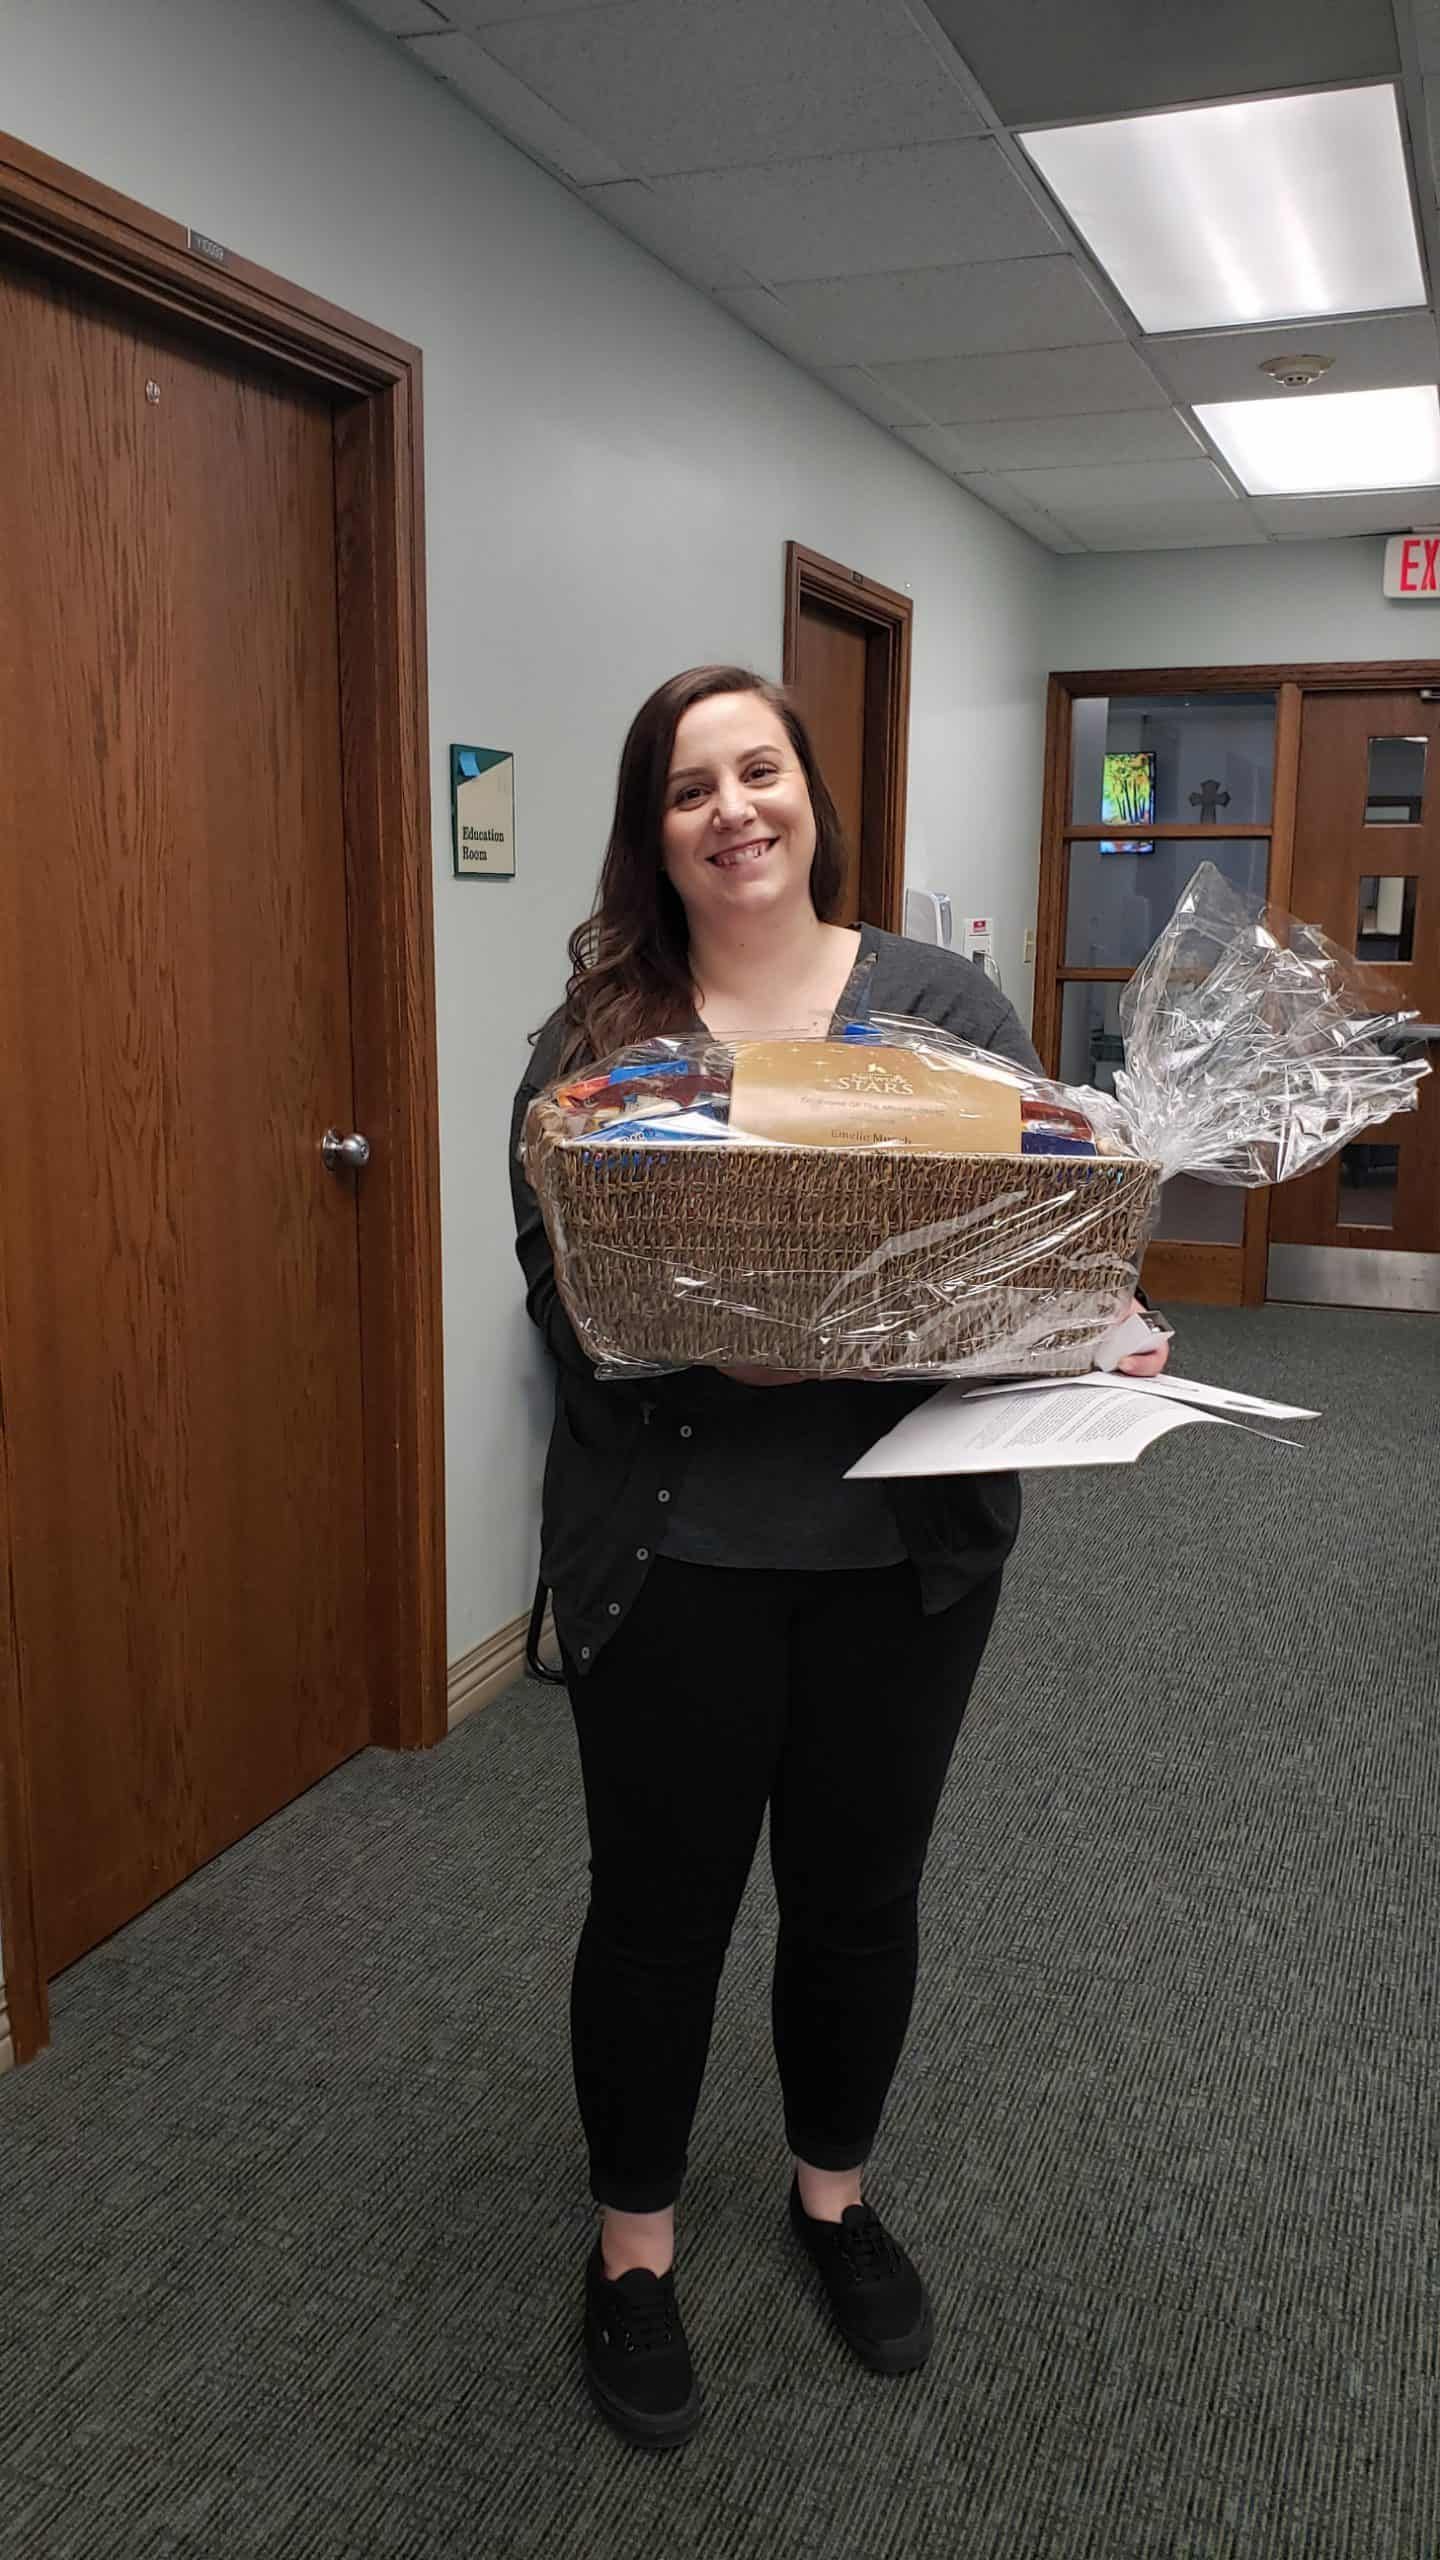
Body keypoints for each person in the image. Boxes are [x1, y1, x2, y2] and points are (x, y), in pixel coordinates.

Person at [509, 665, 1170, 2451]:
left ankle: (833, 2199)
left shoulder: (941, 1008)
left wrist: (1087, 1321)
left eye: (762, 771)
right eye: (691, 786)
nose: (735, 809)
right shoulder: (601, 1047)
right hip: (677, 1555)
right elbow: (558, 1296)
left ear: (811, 794)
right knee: (660, 1915)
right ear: (653, 829)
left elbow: (1026, 1228)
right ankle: (632, 2250)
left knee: (863, 1896)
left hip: (905, 1558)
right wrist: (694, 1336)